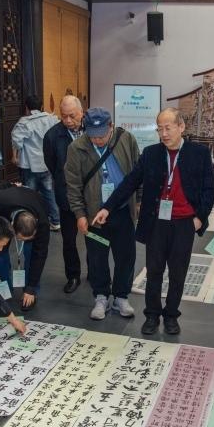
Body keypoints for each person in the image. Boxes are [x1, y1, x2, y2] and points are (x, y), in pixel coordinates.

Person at [93, 108, 214, 335]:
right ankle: (151, 315)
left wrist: (199, 219)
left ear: (181, 127)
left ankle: (171, 315)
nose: (164, 133)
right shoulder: (150, 154)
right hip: (156, 222)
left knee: (178, 273)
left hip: (184, 223)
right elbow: (129, 183)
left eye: (168, 128)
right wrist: (107, 207)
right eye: (159, 129)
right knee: (154, 271)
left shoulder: (199, 153)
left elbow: (209, 189)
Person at [65, 107, 140, 321]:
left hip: (123, 210)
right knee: (97, 256)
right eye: (92, 135)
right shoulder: (76, 148)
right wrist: (79, 214)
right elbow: (72, 185)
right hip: (93, 215)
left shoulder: (127, 140)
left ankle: (121, 296)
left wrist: (139, 202)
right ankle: (101, 296)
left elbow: (138, 173)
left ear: (111, 127)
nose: (97, 140)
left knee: (125, 255)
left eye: (102, 135)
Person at [0, 181, 50, 313]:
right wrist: (10, 185)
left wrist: (31, 288)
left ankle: (30, 291)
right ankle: (4, 289)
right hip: (4, 216)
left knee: (31, 252)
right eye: (20, 238)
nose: (21, 241)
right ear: (13, 228)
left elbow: (40, 255)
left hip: (34, 202)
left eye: (28, 238)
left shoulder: (42, 222)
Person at [43, 95, 84, 293]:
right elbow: (52, 165)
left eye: (72, 116)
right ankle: (73, 275)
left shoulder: (92, 130)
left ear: (81, 113)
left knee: (96, 239)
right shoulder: (52, 136)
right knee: (69, 240)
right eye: (64, 116)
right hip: (66, 195)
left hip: (91, 196)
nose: (68, 120)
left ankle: (97, 273)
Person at [11, 95, 61, 231]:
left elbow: (17, 141)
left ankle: (30, 223)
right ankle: (56, 221)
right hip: (47, 164)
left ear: (27, 108)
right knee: (49, 193)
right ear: (41, 107)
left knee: (29, 194)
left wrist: (16, 154)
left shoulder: (24, 122)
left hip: (29, 165)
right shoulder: (51, 119)